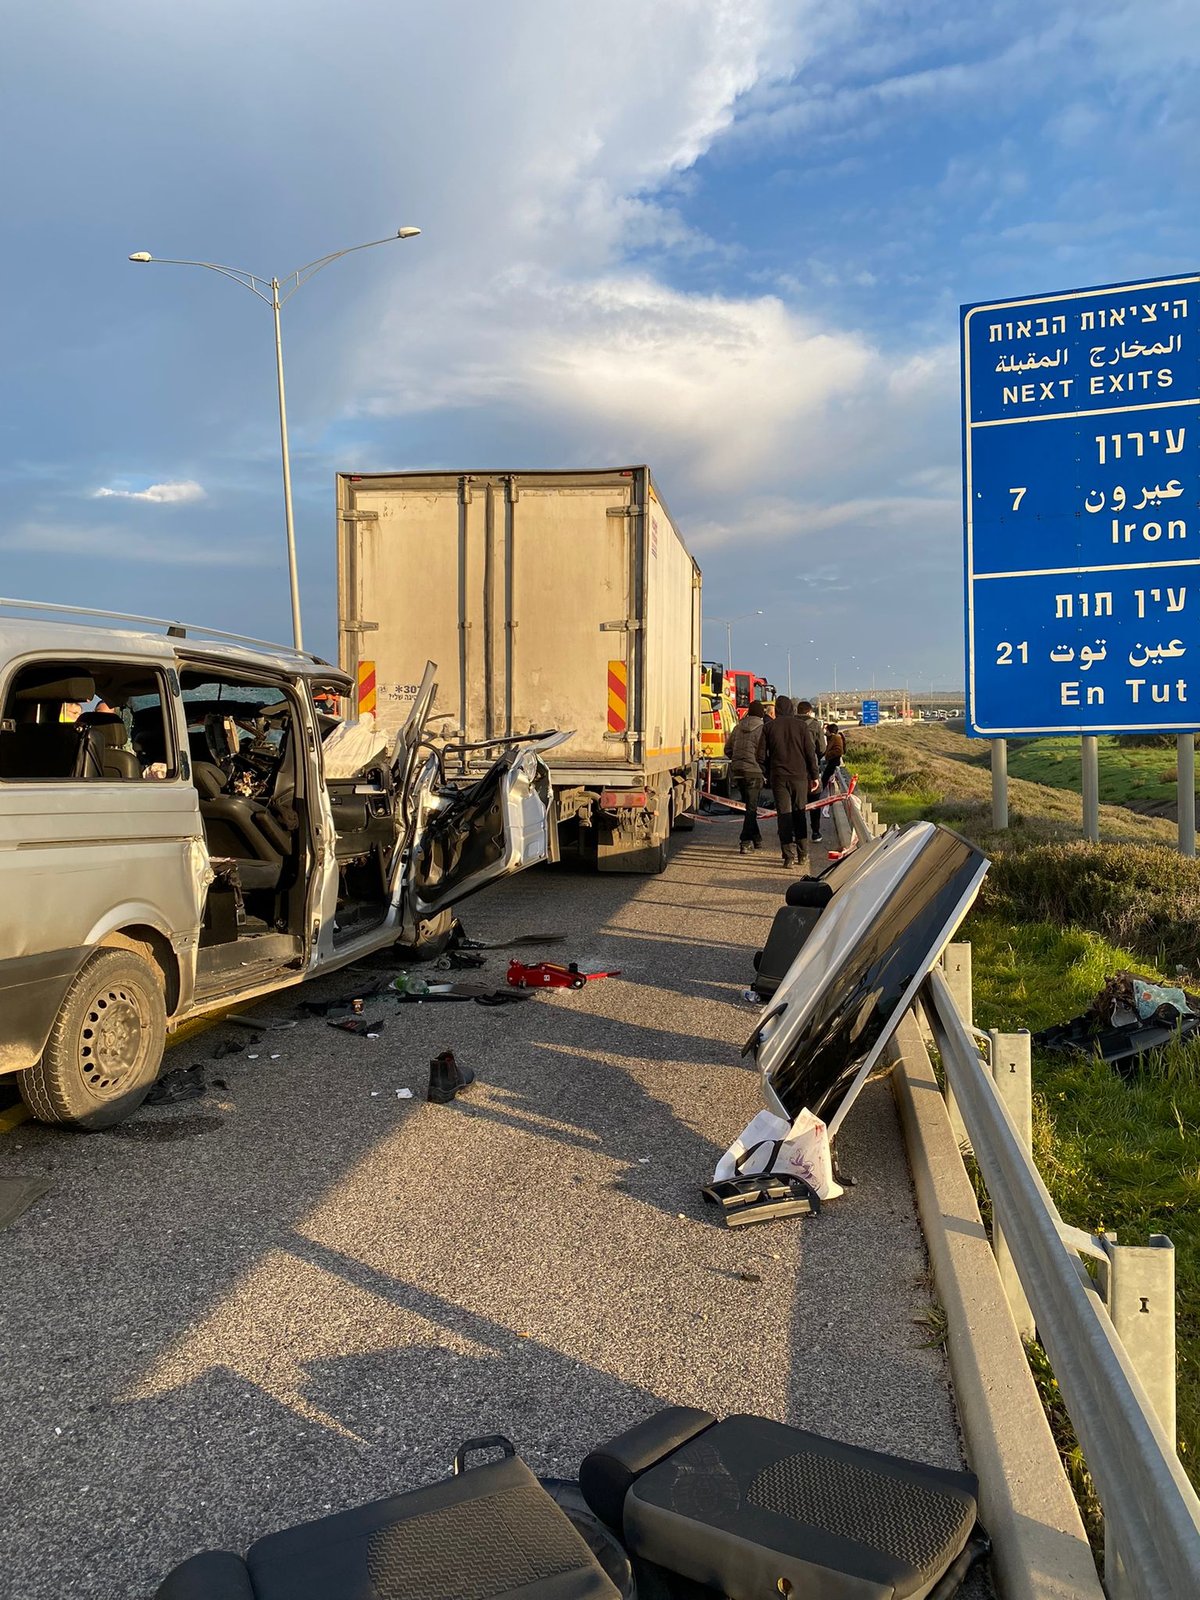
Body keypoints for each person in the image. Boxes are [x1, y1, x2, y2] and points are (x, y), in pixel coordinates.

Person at [764, 694, 820, 869]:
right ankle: (803, 854)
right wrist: (814, 776)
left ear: (777, 709)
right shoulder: (801, 726)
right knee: (799, 813)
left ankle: (788, 856)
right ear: (791, 708)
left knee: (783, 816)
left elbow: (760, 755)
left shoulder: (769, 727)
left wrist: (768, 771)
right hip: (799, 778)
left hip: (779, 778)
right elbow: (810, 753)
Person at [724, 698, 767, 853]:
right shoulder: (763, 729)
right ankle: (745, 840)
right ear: (761, 714)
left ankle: (757, 838)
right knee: (752, 807)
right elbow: (764, 753)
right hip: (754, 771)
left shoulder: (737, 728)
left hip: (737, 770)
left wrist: (737, 760)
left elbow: (727, 749)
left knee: (748, 805)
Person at [794, 700, 827, 843]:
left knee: (796, 802)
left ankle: (796, 832)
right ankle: (815, 832)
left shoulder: (791, 724)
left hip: (794, 768)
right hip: (811, 769)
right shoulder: (815, 725)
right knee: (814, 801)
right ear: (809, 712)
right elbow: (822, 749)